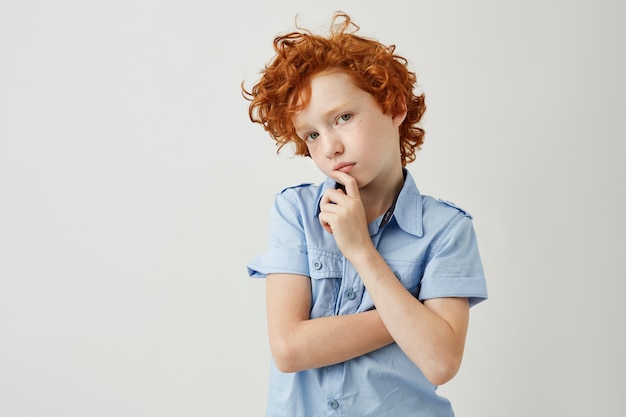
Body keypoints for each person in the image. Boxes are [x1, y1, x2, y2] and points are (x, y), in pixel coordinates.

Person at [243, 12, 487, 417]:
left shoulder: (447, 230)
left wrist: (361, 251)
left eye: (343, 117)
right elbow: (289, 348)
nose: (330, 147)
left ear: (394, 107)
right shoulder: (296, 212)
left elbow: (441, 361)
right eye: (312, 134)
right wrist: (413, 315)